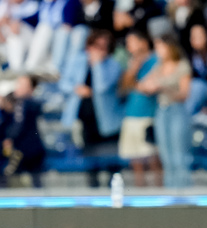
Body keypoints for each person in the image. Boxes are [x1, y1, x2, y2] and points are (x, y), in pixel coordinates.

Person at [59, 29, 123, 187]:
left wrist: (97, 64)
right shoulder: (77, 60)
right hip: (86, 121)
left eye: (103, 47)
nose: (98, 50)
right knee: (90, 163)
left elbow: (101, 87)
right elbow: (63, 83)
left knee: (111, 165)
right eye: (96, 46)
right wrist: (76, 88)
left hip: (107, 123)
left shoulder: (113, 65)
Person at [138, 34, 192, 188]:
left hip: (177, 111)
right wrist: (150, 87)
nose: (158, 51)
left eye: (160, 47)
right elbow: (142, 85)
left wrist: (163, 87)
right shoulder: (159, 67)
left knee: (179, 155)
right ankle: (171, 193)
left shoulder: (182, 65)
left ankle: (184, 191)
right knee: (166, 156)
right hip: (162, 111)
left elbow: (184, 94)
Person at [119, 30, 161, 187]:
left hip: (148, 115)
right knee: (135, 160)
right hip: (131, 115)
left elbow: (150, 87)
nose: (129, 47)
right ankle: (140, 193)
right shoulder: (131, 62)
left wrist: (135, 84)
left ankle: (159, 193)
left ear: (143, 42)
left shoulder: (156, 60)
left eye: (132, 42)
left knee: (152, 158)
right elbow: (123, 87)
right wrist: (134, 68)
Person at [1, 75, 46, 187]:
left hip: (24, 151)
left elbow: (19, 125)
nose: (18, 88)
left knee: (6, 175)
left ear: (31, 89)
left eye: (22, 85)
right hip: (27, 150)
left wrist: (10, 138)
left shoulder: (26, 103)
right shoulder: (17, 103)